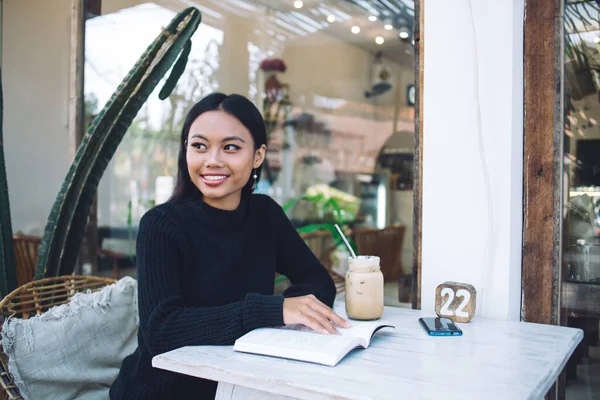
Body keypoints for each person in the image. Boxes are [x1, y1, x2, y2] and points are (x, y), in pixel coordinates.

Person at [109, 93, 349, 400]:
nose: (213, 160)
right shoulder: (161, 224)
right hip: (163, 391)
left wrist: (286, 314)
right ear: (186, 152)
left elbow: (317, 281)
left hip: (246, 383)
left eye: (231, 147)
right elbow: (161, 330)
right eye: (199, 146)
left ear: (258, 156)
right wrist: (273, 310)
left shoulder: (265, 215)